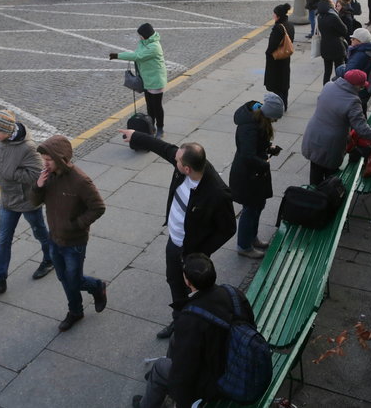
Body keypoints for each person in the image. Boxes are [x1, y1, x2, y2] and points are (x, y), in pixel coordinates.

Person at [118, 130, 235, 340]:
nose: (174, 160)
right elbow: (165, 149)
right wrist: (136, 136)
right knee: (173, 280)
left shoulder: (217, 193)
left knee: (197, 290)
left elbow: (227, 229)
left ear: (187, 168)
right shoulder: (185, 167)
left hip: (192, 249)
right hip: (174, 242)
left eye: (178, 161)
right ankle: (179, 320)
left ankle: (200, 324)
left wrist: (201, 252)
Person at [131, 253, 254, 408]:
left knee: (160, 367)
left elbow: (185, 371)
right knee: (176, 338)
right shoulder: (233, 293)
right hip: (237, 358)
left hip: (219, 379)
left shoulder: (191, 318)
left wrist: (179, 396)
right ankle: (163, 379)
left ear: (188, 282)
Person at [31, 135, 106, 331]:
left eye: (48, 160)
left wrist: (76, 225)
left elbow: (98, 207)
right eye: (43, 159)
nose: (45, 164)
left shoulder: (81, 181)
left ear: (61, 159)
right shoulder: (48, 177)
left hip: (74, 242)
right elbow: (34, 202)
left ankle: (92, 291)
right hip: (54, 238)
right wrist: (38, 186)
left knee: (73, 279)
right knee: (65, 278)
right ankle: (77, 309)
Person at [0, 110, 53, 298]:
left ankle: (50, 259)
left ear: (7, 129)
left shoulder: (28, 148)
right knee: (3, 240)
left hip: (27, 200)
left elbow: (38, 174)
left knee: (40, 232)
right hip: (8, 199)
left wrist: (12, 174)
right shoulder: (0, 139)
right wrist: (9, 174)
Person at [302, 70, 371, 185]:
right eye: (361, 86)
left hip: (313, 134)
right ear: (355, 85)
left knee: (315, 168)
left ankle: (313, 197)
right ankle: (327, 198)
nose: (361, 89)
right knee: (330, 178)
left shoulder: (328, 86)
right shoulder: (353, 101)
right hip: (330, 144)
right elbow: (362, 129)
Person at [230, 96, 284, 259]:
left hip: (254, 174)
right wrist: (264, 163)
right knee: (250, 209)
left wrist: (269, 147)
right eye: (274, 118)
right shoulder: (249, 128)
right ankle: (244, 246)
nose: (274, 121)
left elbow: (257, 144)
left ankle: (252, 238)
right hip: (248, 176)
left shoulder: (257, 121)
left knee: (258, 206)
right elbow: (247, 155)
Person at [110, 23, 168, 138]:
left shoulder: (154, 47)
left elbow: (138, 56)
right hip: (146, 79)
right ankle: (151, 127)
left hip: (155, 80)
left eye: (141, 35)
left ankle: (160, 129)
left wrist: (118, 55)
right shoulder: (143, 42)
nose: (139, 37)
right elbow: (137, 54)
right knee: (149, 106)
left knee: (157, 106)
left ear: (146, 35)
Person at [264, 3, 295, 110]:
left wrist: (268, 53)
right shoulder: (290, 25)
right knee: (284, 84)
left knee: (276, 85)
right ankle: (285, 105)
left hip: (276, 60)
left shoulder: (278, 28)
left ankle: (278, 106)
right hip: (286, 58)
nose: (273, 16)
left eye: (274, 14)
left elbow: (272, 45)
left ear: (278, 16)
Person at [344, 27, 371, 114]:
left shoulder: (359, 55)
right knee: (362, 110)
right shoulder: (368, 50)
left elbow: (348, 73)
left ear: (360, 41)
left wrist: (339, 70)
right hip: (365, 86)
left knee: (358, 112)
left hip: (359, 89)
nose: (351, 40)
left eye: (353, 39)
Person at [317, 0, 349, 85]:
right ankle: (339, 89)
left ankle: (325, 90)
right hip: (336, 47)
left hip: (325, 47)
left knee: (327, 72)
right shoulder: (333, 17)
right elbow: (344, 30)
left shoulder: (320, 17)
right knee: (339, 71)